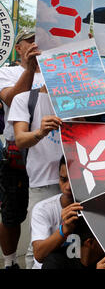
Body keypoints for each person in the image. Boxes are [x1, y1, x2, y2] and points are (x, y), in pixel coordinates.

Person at [0, 28, 44, 269]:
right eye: (30, 41)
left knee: (47, 208)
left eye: (40, 40)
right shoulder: (7, 72)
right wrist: (29, 68)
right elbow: (11, 98)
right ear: (18, 47)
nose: (36, 44)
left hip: (49, 152)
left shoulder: (52, 71)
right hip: (18, 153)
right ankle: (9, 263)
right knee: (12, 213)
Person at [9, 83, 63, 268]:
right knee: (38, 245)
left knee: (76, 241)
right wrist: (40, 133)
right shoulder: (24, 99)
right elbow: (20, 139)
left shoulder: (85, 96)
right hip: (43, 183)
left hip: (79, 180)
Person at [30, 156, 82, 268]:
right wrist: (64, 230)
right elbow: (39, 254)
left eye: (74, 181)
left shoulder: (92, 207)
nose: (67, 187)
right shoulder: (43, 209)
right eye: (63, 179)